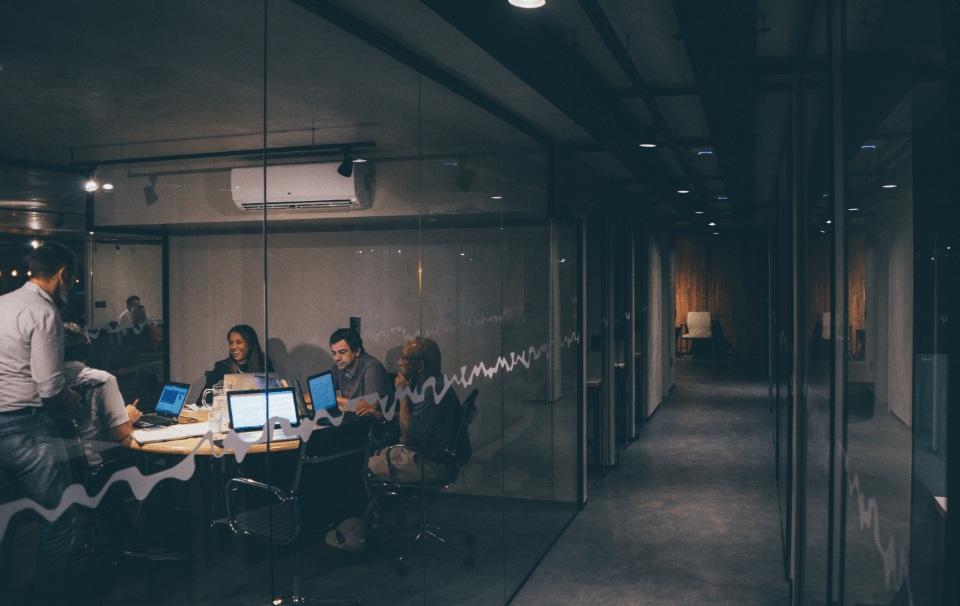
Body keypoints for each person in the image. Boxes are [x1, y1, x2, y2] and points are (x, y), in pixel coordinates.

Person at [0, 242, 81, 605]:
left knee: (5, 522)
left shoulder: (3, 304)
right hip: (26, 426)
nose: (73, 285)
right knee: (60, 519)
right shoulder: (44, 312)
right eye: (73, 278)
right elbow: (49, 387)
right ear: (63, 275)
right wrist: (73, 400)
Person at [366, 338, 462, 483]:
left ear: (420, 365)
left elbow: (410, 439)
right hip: (426, 455)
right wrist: (383, 416)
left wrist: (403, 396)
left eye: (404, 358)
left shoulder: (432, 392)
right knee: (371, 454)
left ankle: (375, 504)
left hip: (432, 464)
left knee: (362, 466)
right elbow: (415, 420)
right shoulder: (434, 384)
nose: (399, 362)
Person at [62, 323, 142, 467]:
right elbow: (118, 434)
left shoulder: (40, 382)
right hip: (95, 466)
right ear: (87, 349)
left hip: (55, 469)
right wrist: (128, 418)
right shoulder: (101, 380)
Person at [196, 324, 274, 406]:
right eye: (231, 343)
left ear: (250, 345)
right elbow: (201, 401)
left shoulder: (264, 365)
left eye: (238, 342)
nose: (233, 347)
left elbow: (273, 397)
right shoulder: (221, 367)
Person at [328, 328, 390, 419]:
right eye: (334, 353)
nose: (337, 358)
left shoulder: (372, 367)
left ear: (357, 351)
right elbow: (320, 394)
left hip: (374, 425)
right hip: (354, 420)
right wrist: (300, 400)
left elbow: (370, 406)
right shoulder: (340, 366)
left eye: (342, 352)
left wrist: (334, 400)